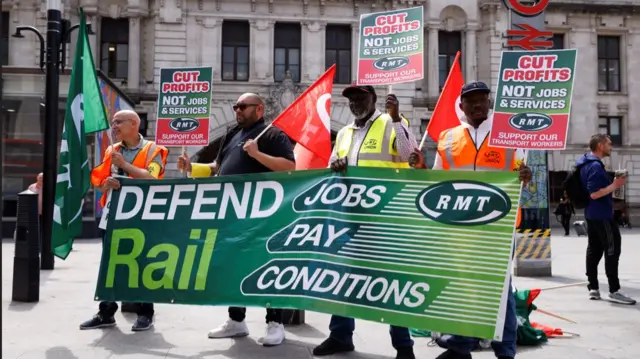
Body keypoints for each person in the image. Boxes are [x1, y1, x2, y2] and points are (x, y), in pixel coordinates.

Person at [409, 81, 531, 359]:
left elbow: (520, 175)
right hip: (459, 229)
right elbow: (438, 182)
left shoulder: (509, 135)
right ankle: (460, 348)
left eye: (482, 99)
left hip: (497, 228)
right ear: (461, 105)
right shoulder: (448, 137)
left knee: (500, 293)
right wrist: (421, 168)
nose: (477, 104)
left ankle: (506, 352)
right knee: (461, 287)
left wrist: (525, 176)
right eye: (470, 100)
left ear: (490, 102)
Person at [177, 92, 295, 346]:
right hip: (232, 215)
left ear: (259, 109)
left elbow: (289, 167)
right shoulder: (231, 134)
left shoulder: (272, 135)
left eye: (243, 106)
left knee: (264, 266)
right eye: (235, 106)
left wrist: (257, 154)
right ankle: (236, 320)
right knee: (233, 265)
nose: (237, 110)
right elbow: (216, 168)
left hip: (263, 217)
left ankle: (275, 322)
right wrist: (191, 168)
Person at [312, 84, 418, 359]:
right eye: (351, 99)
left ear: (374, 98)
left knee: (392, 280)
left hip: (386, 218)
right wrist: (334, 166)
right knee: (341, 276)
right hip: (349, 216)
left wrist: (396, 118)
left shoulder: (391, 122)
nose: (356, 102)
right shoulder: (345, 132)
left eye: (361, 97)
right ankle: (340, 335)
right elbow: (332, 167)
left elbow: (410, 156)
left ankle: (404, 346)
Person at [80, 109, 169, 331]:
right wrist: (106, 184)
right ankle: (106, 312)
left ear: (133, 124)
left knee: (142, 264)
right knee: (110, 264)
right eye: (113, 122)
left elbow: (152, 177)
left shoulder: (153, 150)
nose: (114, 126)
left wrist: (125, 166)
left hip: (143, 217)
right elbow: (100, 182)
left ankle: (145, 313)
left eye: (119, 122)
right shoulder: (112, 149)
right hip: (113, 215)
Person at [576, 134, 635, 305]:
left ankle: (593, 288)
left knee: (594, 250)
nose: (612, 146)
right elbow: (594, 193)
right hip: (602, 214)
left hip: (591, 214)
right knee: (612, 248)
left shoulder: (585, 163)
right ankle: (614, 290)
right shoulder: (595, 166)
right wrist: (615, 185)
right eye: (609, 144)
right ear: (600, 145)